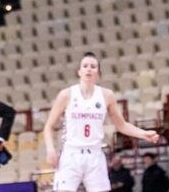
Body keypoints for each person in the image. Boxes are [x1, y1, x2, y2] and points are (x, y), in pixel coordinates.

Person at [43, 52, 160, 192]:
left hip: (95, 154)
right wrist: (50, 150)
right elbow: (48, 126)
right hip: (71, 154)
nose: (89, 69)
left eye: (93, 66)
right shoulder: (66, 95)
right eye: (85, 66)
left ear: (98, 73)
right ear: (79, 71)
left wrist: (143, 134)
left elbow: (121, 125)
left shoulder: (107, 95)